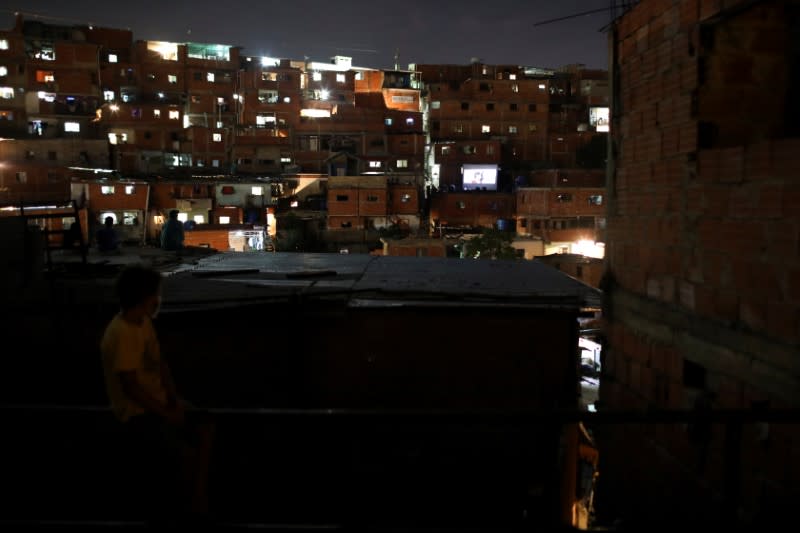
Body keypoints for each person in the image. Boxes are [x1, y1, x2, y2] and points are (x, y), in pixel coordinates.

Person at [100, 265, 213, 524]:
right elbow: (131, 388)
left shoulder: (142, 322)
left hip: (158, 403)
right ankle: (189, 508)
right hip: (136, 413)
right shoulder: (122, 333)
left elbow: (160, 363)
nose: (159, 299)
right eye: (155, 294)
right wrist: (168, 412)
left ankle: (197, 500)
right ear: (145, 297)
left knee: (205, 426)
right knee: (182, 454)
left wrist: (173, 397)